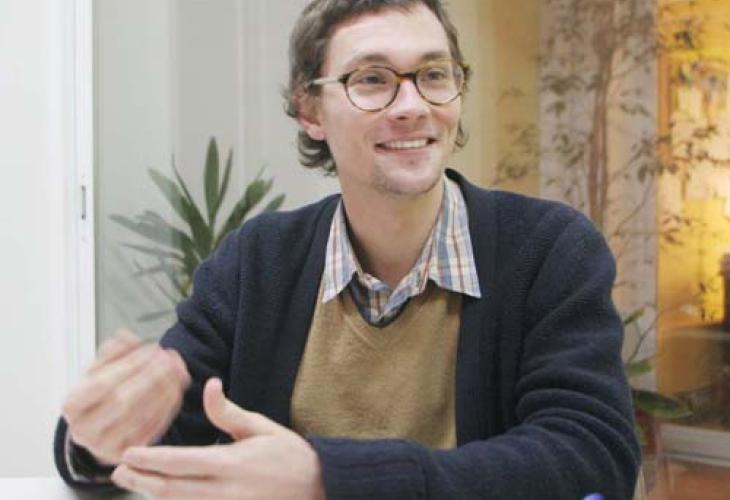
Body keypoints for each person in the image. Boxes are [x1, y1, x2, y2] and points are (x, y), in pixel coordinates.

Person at [54, 0, 641, 498]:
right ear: (310, 111)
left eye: (434, 75)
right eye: (372, 80)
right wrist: (100, 440)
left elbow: (591, 453)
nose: (412, 105)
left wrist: (327, 477)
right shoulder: (257, 263)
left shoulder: (548, 250)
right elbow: (155, 435)